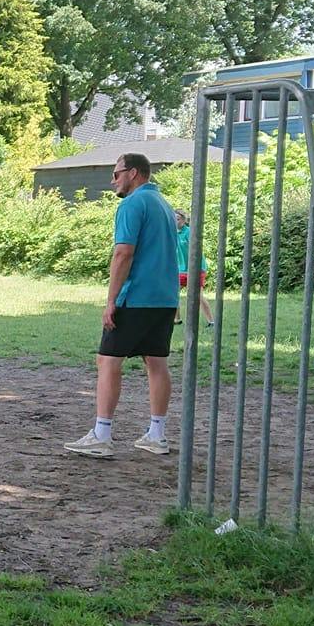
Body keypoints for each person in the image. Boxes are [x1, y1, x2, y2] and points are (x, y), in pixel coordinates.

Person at [66, 153, 179, 458]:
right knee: (156, 362)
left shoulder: (132, 205)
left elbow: (123, 254)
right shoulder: (165, 206)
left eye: (116, 174)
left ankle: (102, 435)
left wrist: (111, 300)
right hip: (165, 299)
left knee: (107, 361)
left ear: (133, 173)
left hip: (137, 297)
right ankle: (157, 435)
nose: (112, 180)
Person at [174, 210, 214, 326]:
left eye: (178, 219)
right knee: (173, 293)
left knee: (198, 296)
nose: (175, 221)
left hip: (196, 269)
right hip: (181, 269)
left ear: (184, 220)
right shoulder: (172, 233)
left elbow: (196, 249)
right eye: (174, 219)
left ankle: (211, 321)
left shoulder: (189, 233)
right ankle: (177, 319)